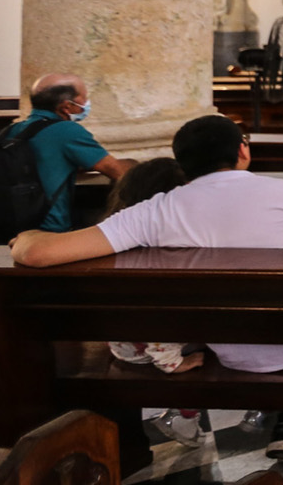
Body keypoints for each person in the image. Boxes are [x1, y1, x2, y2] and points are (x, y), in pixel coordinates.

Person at [9, 115, 283, 461]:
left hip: (230, 351)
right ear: (243, 150)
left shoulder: (156, 209)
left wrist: (27, 237)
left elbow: (38, 254)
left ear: (184, 164)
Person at [101, 158, 208, 445]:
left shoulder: (112, 235)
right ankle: (185, 416)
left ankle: (185, 416)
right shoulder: (168, 247)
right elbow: (160, 318)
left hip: (122, 344)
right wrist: (172, 362)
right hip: (153, 349)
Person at [5, 74, 131, 233]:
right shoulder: (67, 131)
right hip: (49, 227)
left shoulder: (11, 130)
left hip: (11, 223)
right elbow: (117, 171)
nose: (86, 103)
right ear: (66, 106)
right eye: (84, 98)